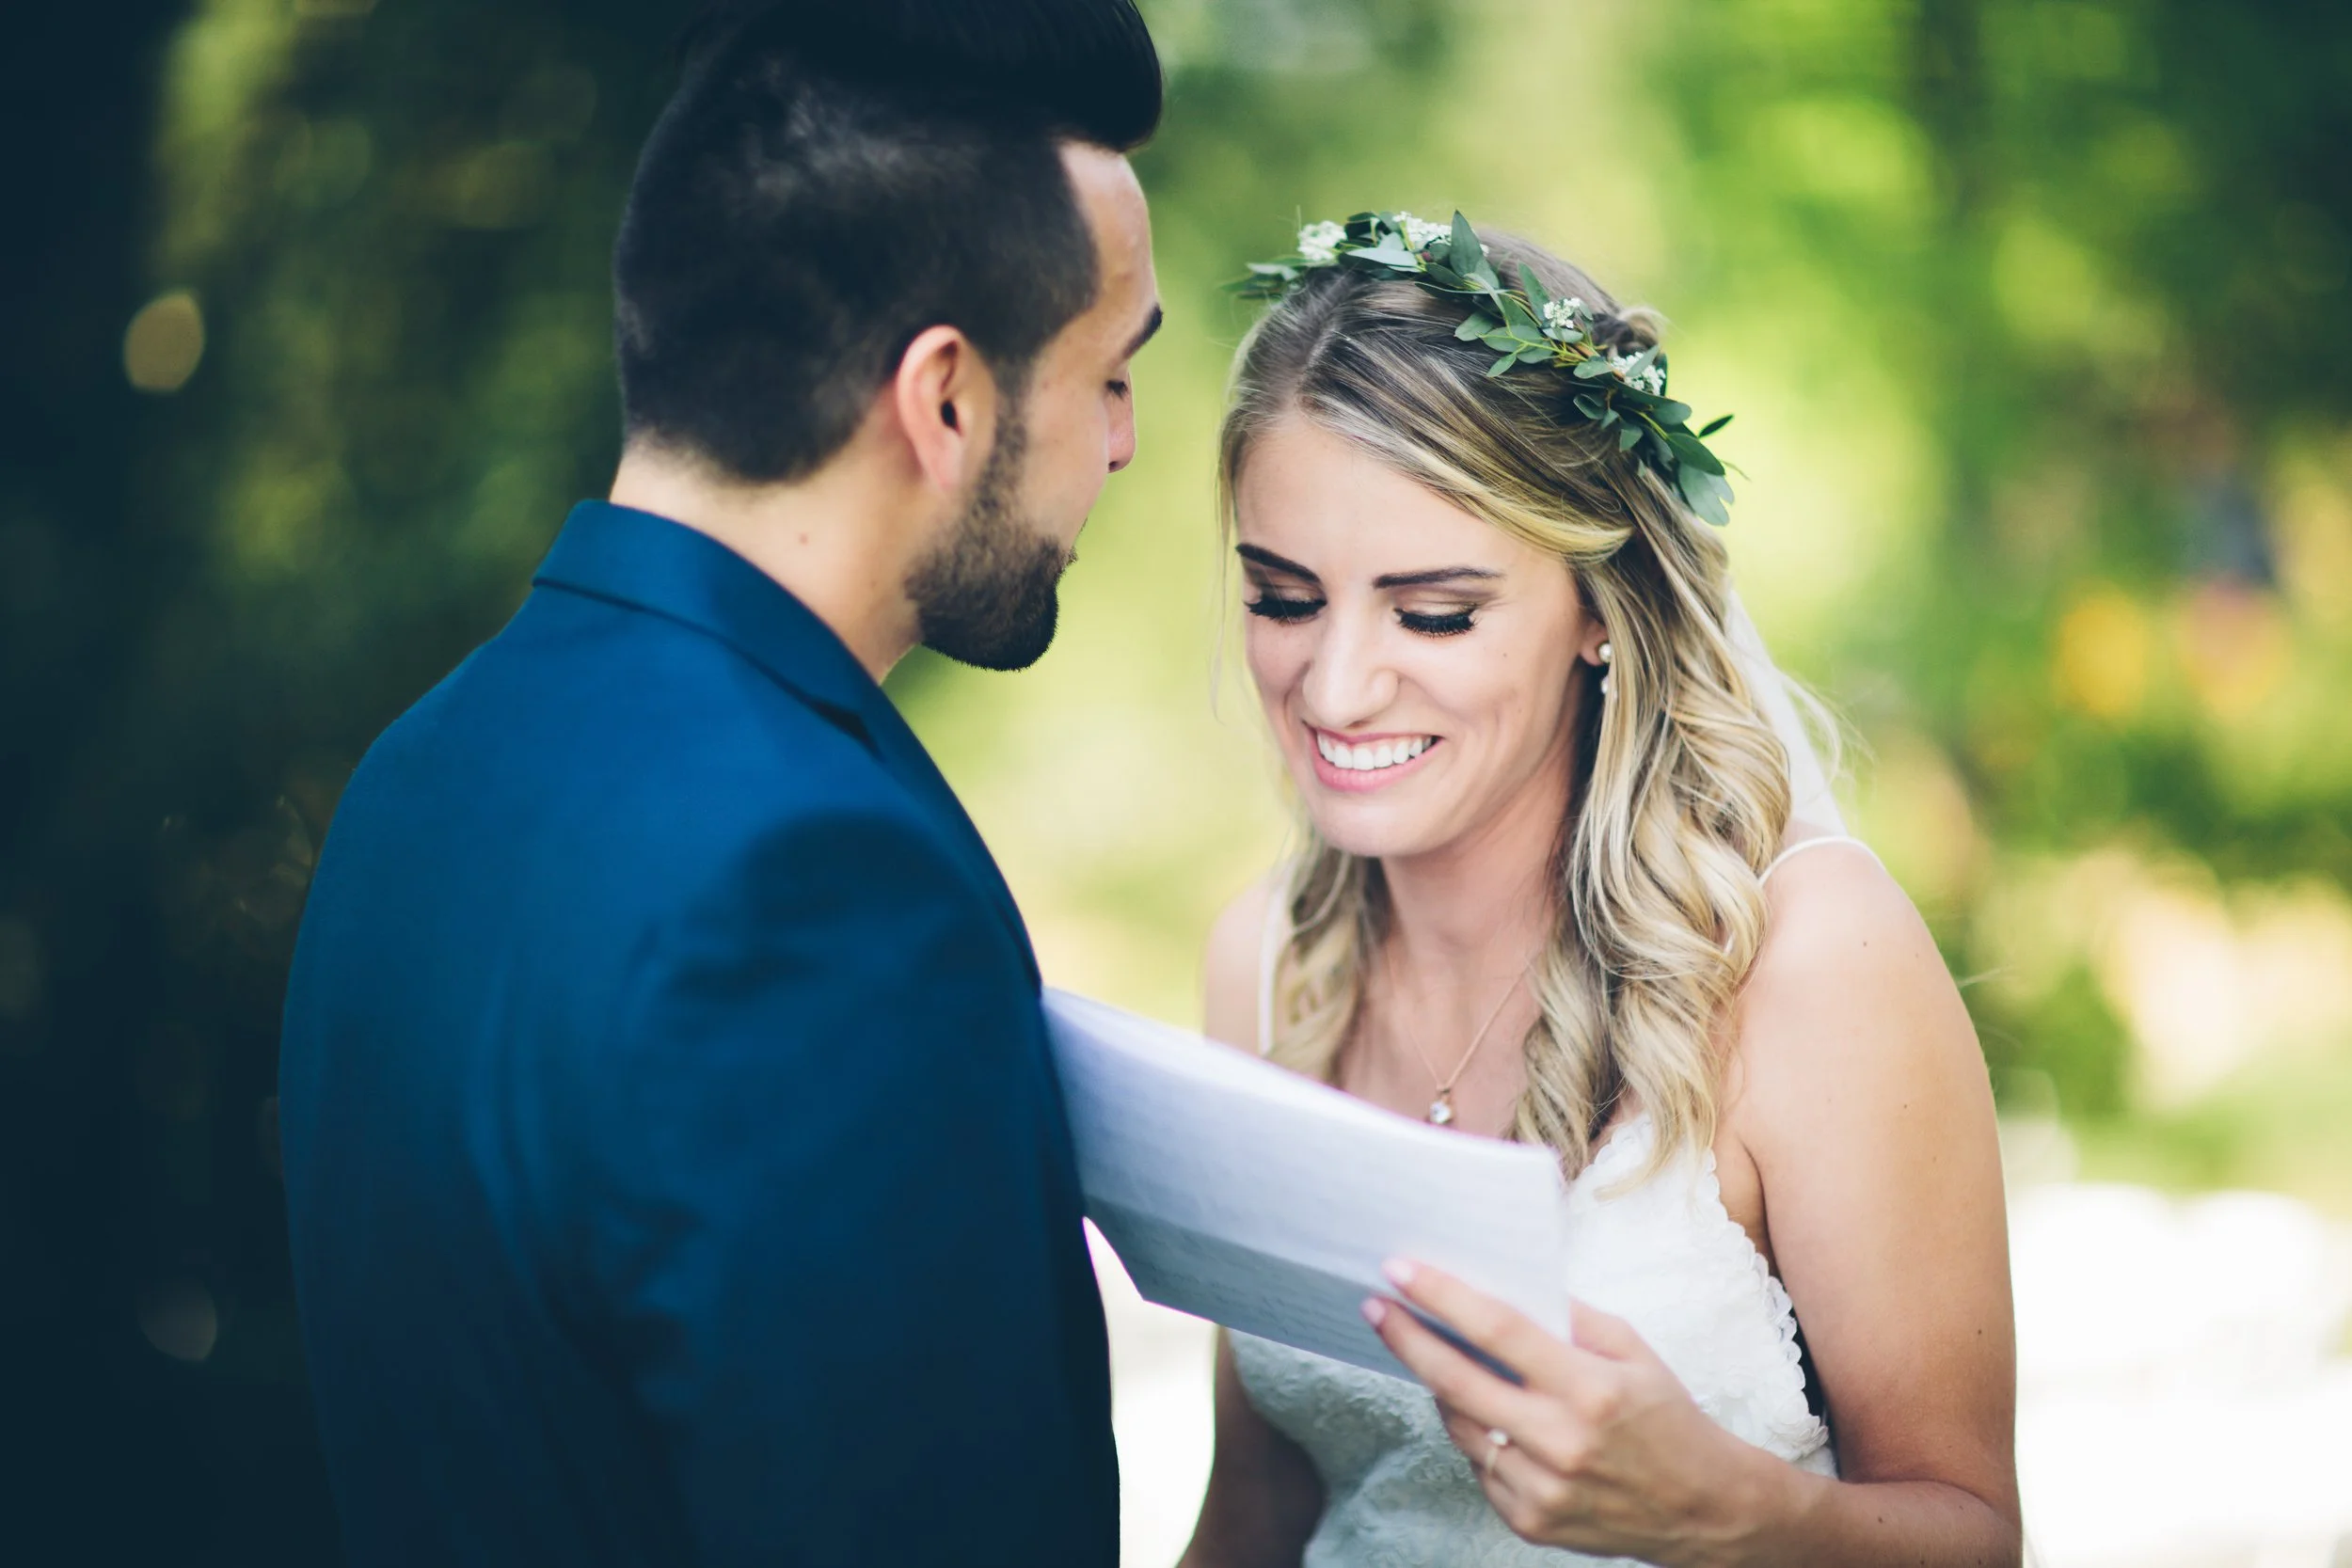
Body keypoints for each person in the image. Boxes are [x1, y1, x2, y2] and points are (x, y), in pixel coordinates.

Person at [276, 3, 1162, 1563]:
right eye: (1108, 377)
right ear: (945, 397)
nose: (1126, 444)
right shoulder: (817, 887)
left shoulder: (421, 773)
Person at [1180, 214, 2020, 1566]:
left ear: (1597, 604)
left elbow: (1975, 1534)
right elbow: (1259, 1515)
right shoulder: (1268, 962)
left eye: (1434, 611)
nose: (1333, 688)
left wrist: (1724, 1507)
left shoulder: (1803, 959)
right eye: (1284, 597)